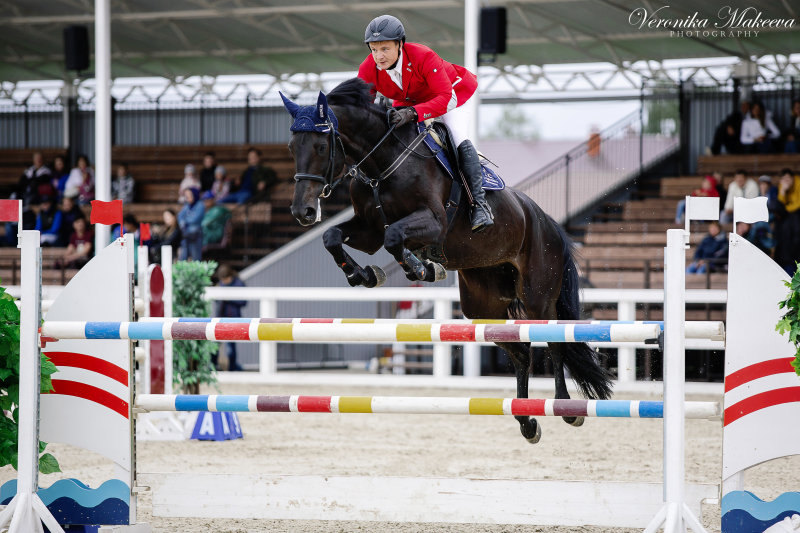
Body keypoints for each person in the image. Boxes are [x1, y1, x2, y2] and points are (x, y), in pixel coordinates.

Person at [356, 14, 493, 232]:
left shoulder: (422, 55)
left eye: (384, 49)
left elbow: (445, 97)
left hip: (453, 95)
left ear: (400, 44)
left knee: (456, 136)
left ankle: (480, 205)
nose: (378, 56)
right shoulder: (368, 68)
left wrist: (412, 113)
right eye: (373, 49)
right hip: (410, 100)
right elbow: (361, 106)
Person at [214, 264, 246, 371]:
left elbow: (243, 301)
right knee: (215, 344)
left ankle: (232, 367)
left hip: (233, 318)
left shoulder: (238, 284)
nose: (224, 282)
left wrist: (228, 299)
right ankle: (214, 366)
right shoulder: (221, 284)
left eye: (225, 279)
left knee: (231, 346)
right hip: (221, 317)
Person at [774, 168, 800, 275]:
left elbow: (797, 205)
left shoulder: (798, 184)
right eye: (784, 179)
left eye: (788, 178)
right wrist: (782, 191)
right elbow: (779, 208)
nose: (787, 181)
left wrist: (787, 209)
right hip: (788, 228)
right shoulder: (781, 187)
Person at [177, 188, 204, 261]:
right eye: (186, 195)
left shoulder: (200, 205)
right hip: (186, 234)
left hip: (196, 235)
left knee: (195, 256)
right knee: (183, 255)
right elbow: (180, 216)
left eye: (189, 195)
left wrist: (185, 221)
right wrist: (183, 223)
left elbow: (195, 219)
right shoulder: (187, 205)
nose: (187, 197)